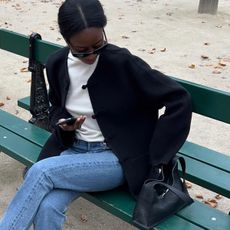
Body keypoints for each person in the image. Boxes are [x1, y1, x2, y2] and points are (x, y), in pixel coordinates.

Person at [0, 0, 192, 229]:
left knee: (40, 172)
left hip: (116, 160)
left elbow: (179, 99)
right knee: (48, 206)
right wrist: (63, 124)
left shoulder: (123, 62)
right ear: (66, 40)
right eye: (81, 50)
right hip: (74, 153)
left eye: (98, 45)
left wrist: (156, 156)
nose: (91, 55)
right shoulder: (57, 63)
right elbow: (57, 107)